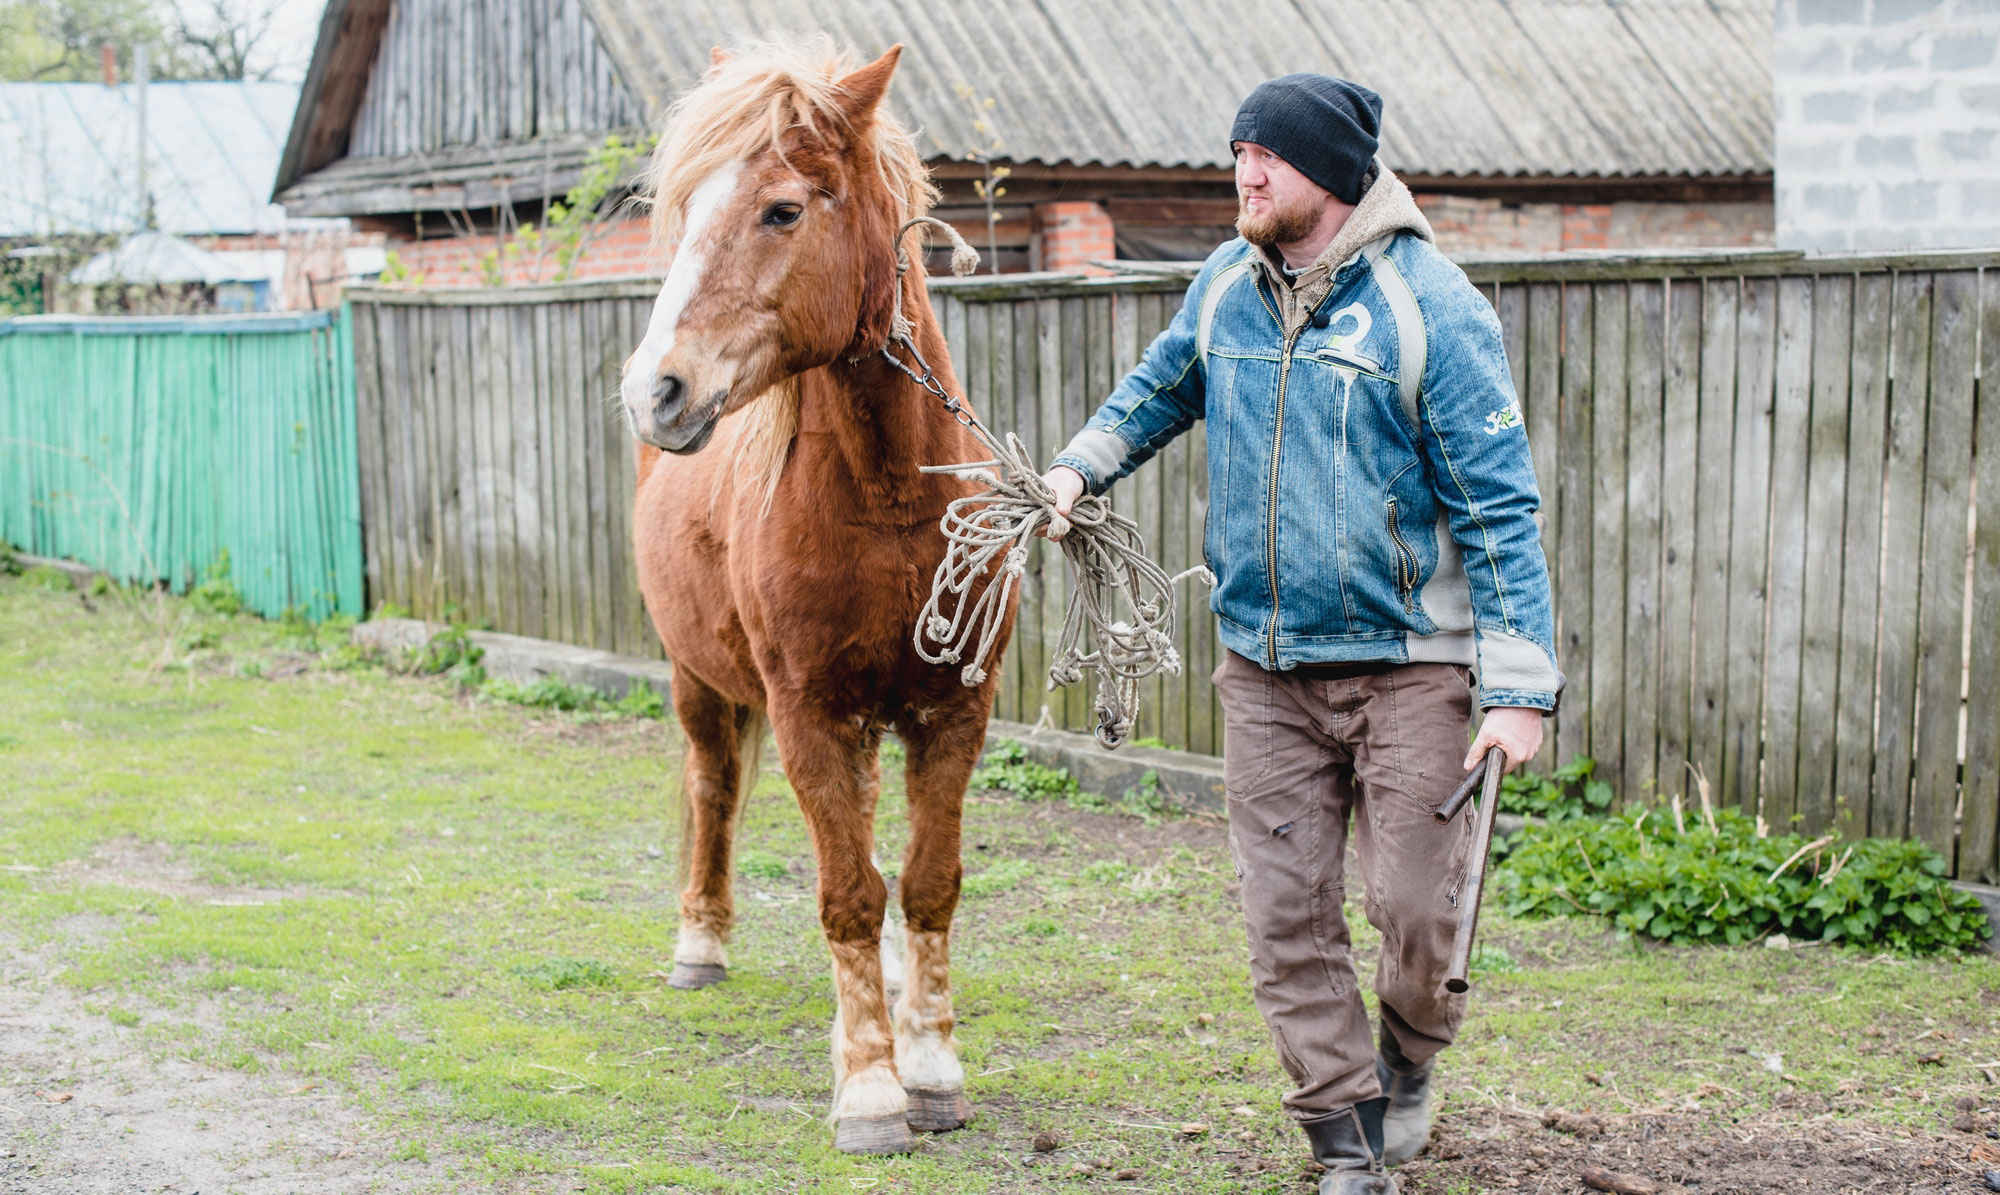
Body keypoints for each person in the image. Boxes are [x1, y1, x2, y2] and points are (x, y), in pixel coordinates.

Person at [1040, 74, 1563, 1195]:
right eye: (1235, 149)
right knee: (1284, 915)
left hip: (1407, 668)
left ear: (1327, 170)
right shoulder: (1227, 283)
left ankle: (1408, 1055)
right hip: (1264, 668)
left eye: (1264, 154)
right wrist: (1082, 462)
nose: (1244, 170)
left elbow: (1496, 502)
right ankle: (1341, 1140)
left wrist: (1517, 687)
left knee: (1417, 911)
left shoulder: (1430, 305)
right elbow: (1158, 387)